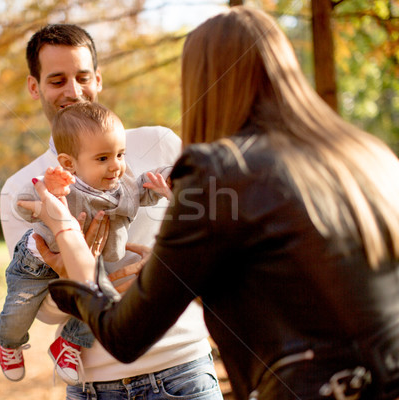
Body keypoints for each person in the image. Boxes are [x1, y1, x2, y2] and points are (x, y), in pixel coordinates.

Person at [20, 7, 399, 400]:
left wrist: (67, 248)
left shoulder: (217, 167)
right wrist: (178, 270)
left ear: (203, 81)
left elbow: (125, 336)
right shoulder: (367, 154)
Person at [0, 23, 223, 399]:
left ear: (98, 79)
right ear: (34, 87)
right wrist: (70, 272)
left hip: (182, 368)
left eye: (83, 77)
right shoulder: (20, 188)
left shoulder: (160, 144)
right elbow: (42, 309)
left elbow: (218, 239)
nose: (73, 91)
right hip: (93, 385)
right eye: (57, 80)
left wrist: (166, 267)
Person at [0, 102, 172, 385]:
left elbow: (144, 188)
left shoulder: (122, 185)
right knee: (19, 312)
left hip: (87, 262)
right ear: (69, 163)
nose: (115, 165)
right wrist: (49, 193)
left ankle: (67, 346)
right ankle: (9, 343)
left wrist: (165, 179)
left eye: (120, 154)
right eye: (102, 158)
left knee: (102, 303)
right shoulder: (63, 183)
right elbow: (22, 204)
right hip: (35, 263)